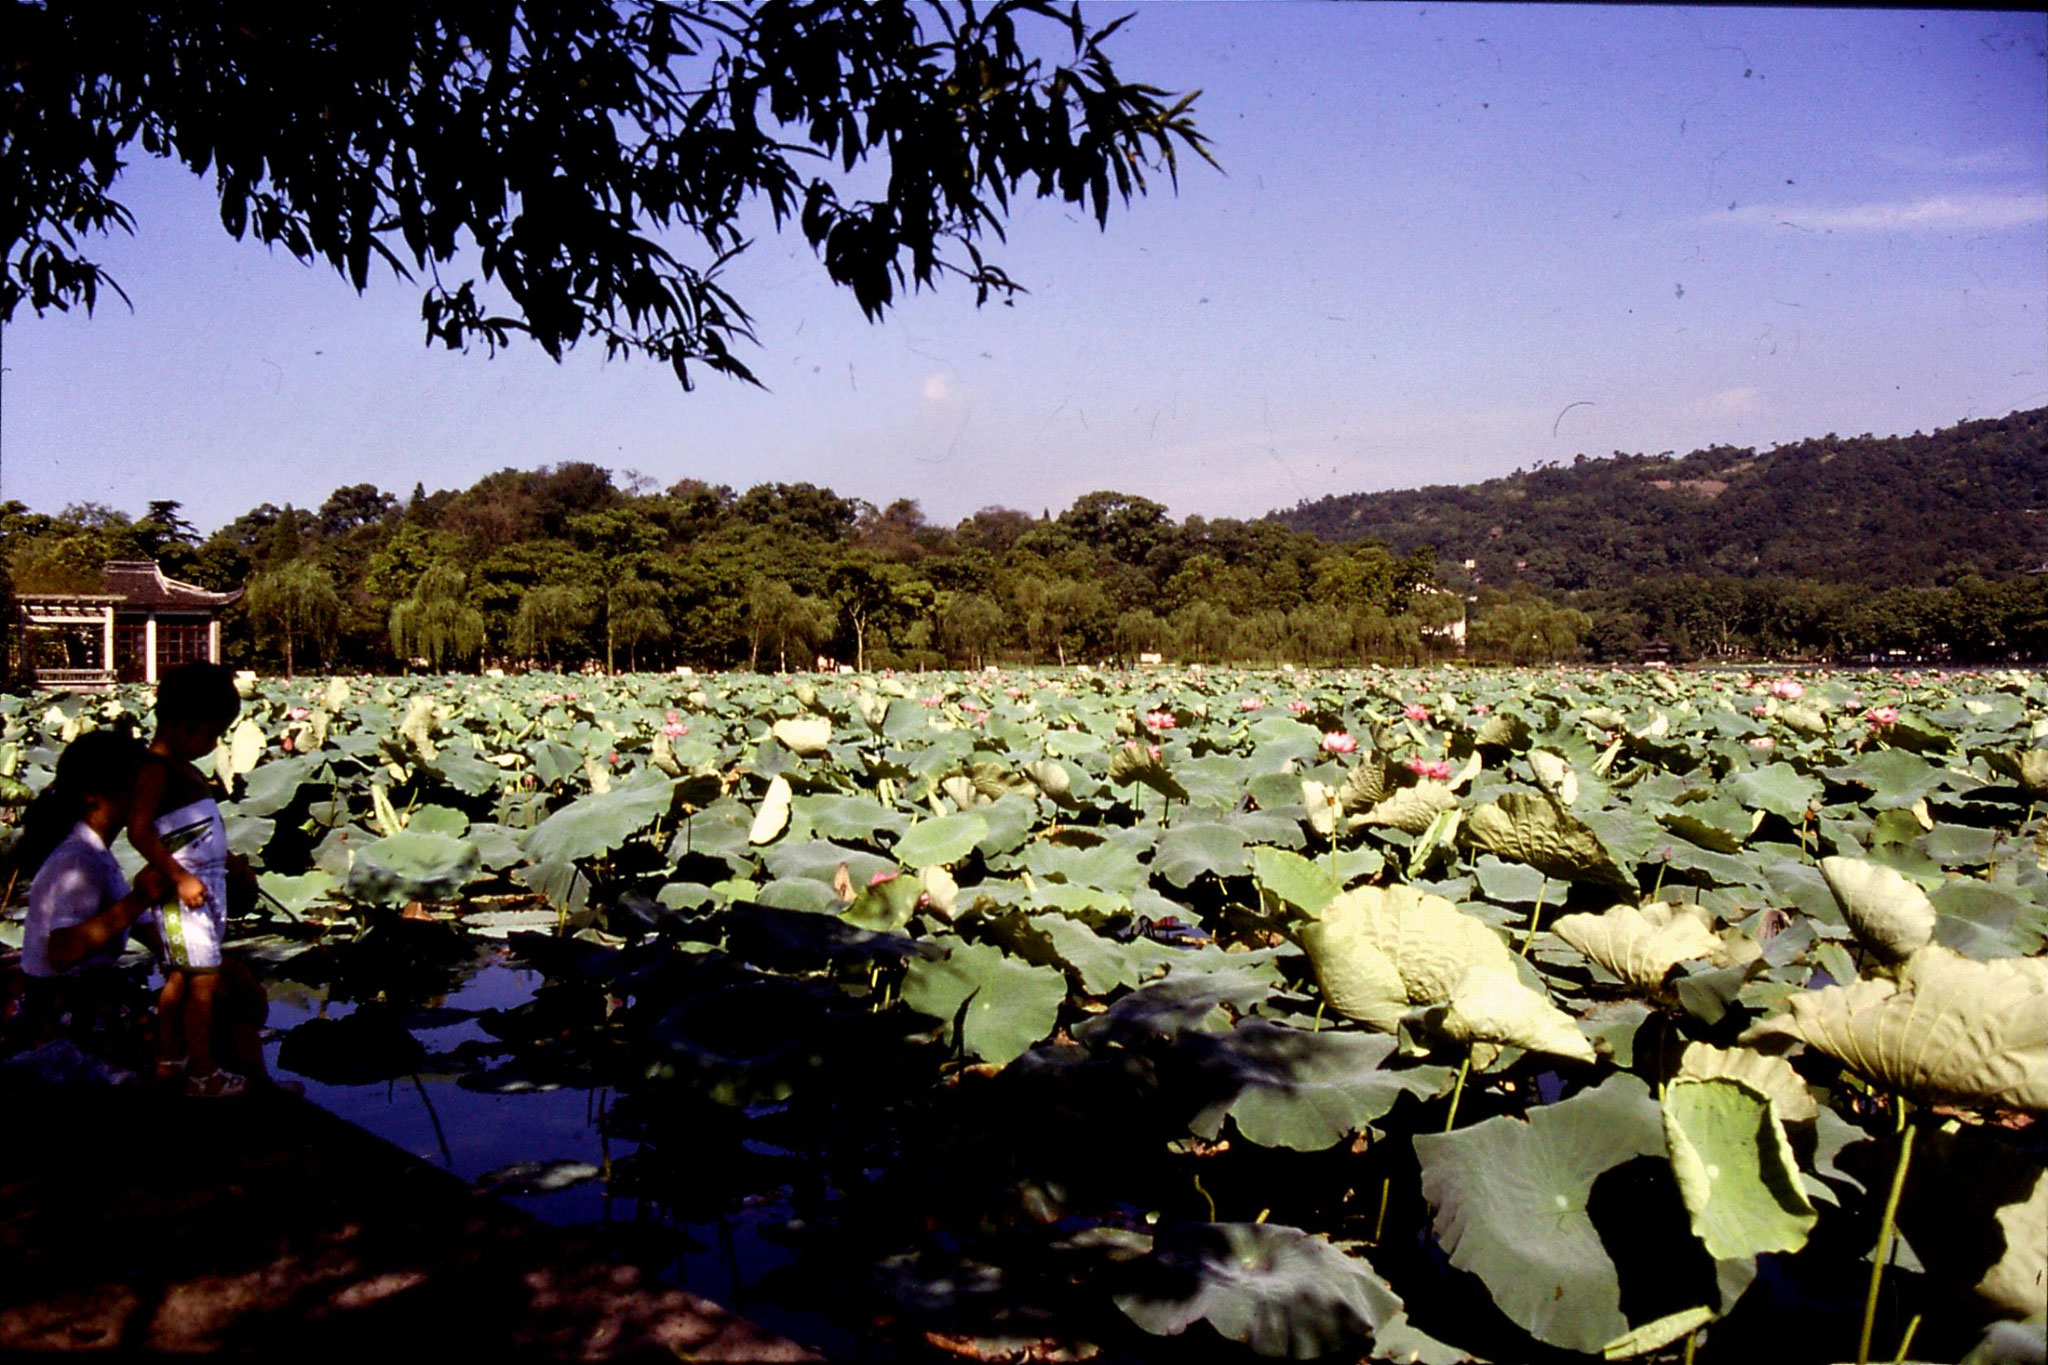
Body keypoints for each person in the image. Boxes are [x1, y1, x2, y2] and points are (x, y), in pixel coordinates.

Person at [127, 662, 273, 1097]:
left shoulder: (184, 768)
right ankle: (203, 1072)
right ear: (178, 723)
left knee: (179, 977)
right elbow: (139, 831)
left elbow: (188, 833)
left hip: (200, 889)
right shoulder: (156, 769)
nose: (214, 743)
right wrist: (179, 877)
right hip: (184, 893)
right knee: (204, 981)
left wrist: (227, 859)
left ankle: (172, 1060)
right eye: (210, 733)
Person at [7, 730, 170, 1073]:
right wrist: (139, 898)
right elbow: (62, 952)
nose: (147, 798)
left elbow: (150, 933)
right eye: (135, 786)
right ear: (94, 795)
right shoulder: (78, 859)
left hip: (90, 995)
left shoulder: (98, 852)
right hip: (63, 1009)